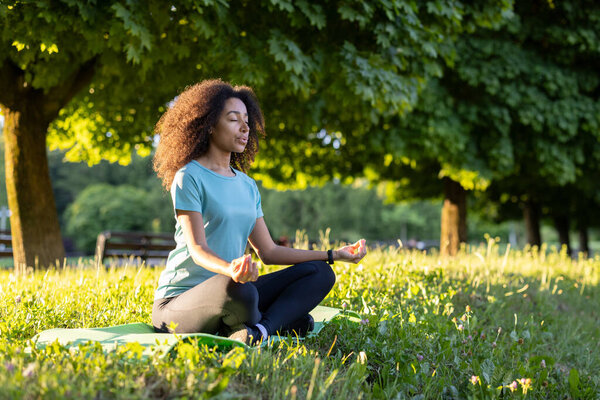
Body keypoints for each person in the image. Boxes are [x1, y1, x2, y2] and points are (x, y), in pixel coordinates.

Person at [151, 79, 367, 345]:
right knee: (243, 293)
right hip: (180, 301)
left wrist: (334, 254)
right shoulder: (190, 176)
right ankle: (278, 321)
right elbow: (197, 249)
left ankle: (260, 330)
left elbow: (269, 252)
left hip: (234, 286)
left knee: (320, 273)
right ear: (208, 125)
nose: (245, 128)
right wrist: (231, 269)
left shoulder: (247, 185)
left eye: (247, 121)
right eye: (233, 119)